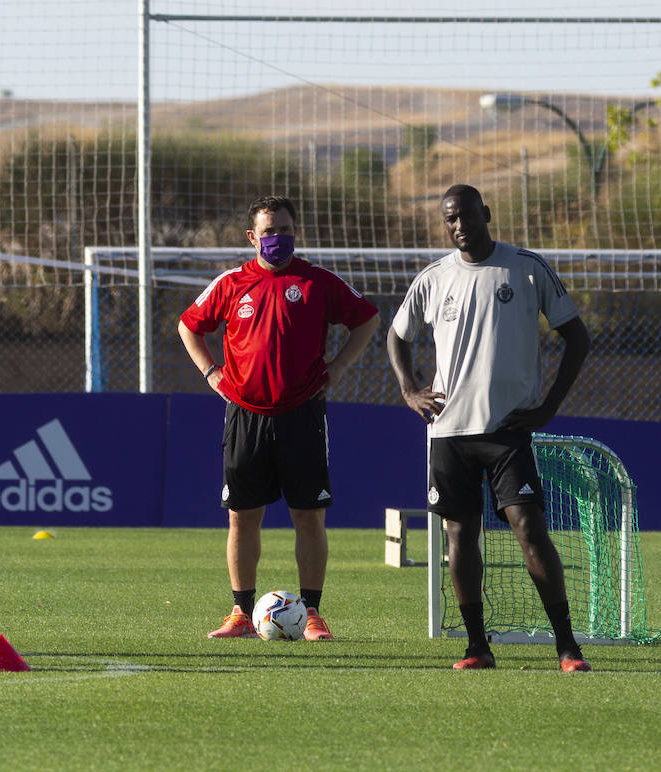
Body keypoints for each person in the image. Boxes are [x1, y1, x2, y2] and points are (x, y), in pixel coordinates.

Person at [387, 184, 592, 672]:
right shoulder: (434, 277)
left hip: (507, 431)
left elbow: (577, 337)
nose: (459, 225)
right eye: (450, 219)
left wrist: (548, 407)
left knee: (530, 529)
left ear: (486, 214)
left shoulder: (526, 267)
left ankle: (568, 648)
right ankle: (477, 647)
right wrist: (409, 389)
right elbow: (398, 334)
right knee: (460, 536)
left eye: (466, 215)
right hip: (448, 432)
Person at [178, 195, 380, 640]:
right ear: (252, 237)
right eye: (269, 231)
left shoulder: (316, 281)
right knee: (241, 517)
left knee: (308, 517)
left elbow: (367, 319)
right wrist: (211, 372)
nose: (278, 238)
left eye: (285, 229)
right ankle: (240, 613)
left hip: (302, 414)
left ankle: (312, 614)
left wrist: (339, 367)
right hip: (245, 414)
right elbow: (188, 325)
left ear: (295, 232)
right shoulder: (232, 283)